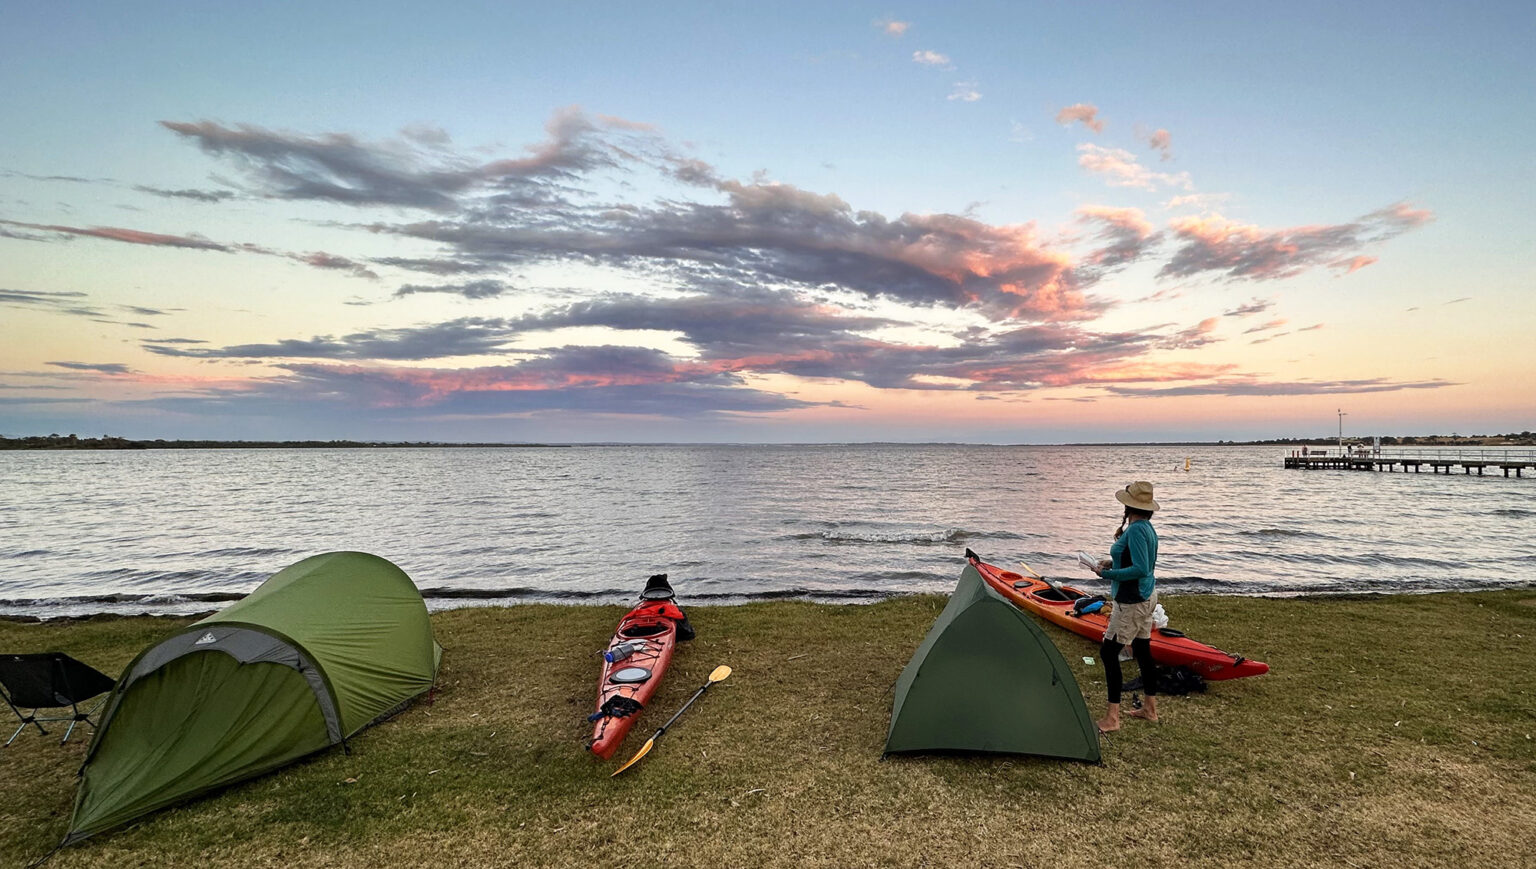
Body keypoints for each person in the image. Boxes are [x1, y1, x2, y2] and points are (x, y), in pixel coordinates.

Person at [1092, 481, 1161, 733]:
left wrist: (1107, 575)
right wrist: (1112, 563)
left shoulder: (1135, 530)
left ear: (1128, 504)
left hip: (1132, 601)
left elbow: (1141, 568)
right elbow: (1138, 561)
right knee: (1142, 649)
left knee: (1109, 653)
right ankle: (1150, 709)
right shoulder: (1146, 527)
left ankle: (1112, 718)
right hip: (1146, 595)